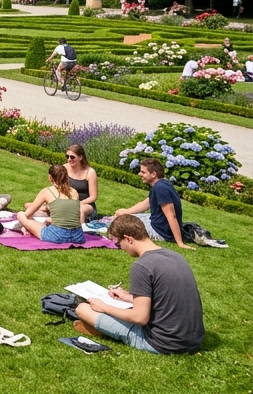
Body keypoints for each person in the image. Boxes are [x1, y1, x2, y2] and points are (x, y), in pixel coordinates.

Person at [73, 214, 205, 355]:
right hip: (193, 340)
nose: (121, 248)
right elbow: (164, 298)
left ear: (128, 239)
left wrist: (104, 307)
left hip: (163, 343)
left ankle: (103, 329)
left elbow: (139, 318)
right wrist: (129, 297)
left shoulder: (142, 266)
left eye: (119, 243)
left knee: (82, 309)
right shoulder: (175, 256)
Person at [115, 158, 193, 248]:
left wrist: (180, 242)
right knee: (124, 217)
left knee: (120, 225)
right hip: (157, 223)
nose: (139, 174)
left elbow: (171, 216)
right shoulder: (162, 184)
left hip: (160, 231)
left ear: (153, 174)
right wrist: (126, 211)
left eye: (143, 172)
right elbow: (146, 203)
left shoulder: (160, 188)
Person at [16, 164, 85, 243]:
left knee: (21, 214)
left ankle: (29, 229)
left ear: (50, 177)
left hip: (58, 236)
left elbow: (27, 214)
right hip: (77, 236)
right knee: (46, 224)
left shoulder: (47, 191)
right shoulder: (74, 192)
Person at [65, 144, 99, 221]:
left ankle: (81, 231)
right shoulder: (64, 168)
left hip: (85, 204)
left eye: (72, 157)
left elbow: (93, 197)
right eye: (67, 156)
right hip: (68, 202)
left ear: (80, 157)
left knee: (80, 210)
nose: (69, 159)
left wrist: (77, 204)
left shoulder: (90, 172)